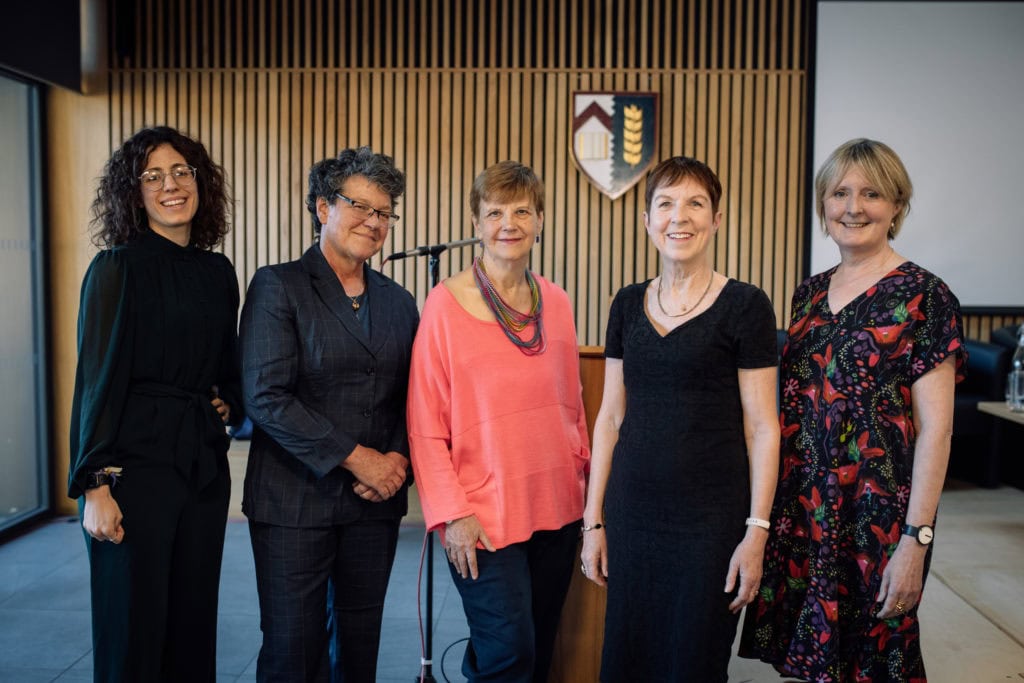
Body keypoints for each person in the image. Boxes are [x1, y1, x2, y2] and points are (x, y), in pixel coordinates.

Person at [739, 138, 966, 681]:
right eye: (840, 193)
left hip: (879, 520)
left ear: (896, 205)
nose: (853, 207)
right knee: (812, 659)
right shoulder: (808, 296)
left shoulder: (926, 296)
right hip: (804, 510)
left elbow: (937, 431)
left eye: (871, 194)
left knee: (875, 660)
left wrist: (917, 539)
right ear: (823, 205)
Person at [579, 156, 780, 681]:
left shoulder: (746, 305)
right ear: (647, 220)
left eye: (695, 203)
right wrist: (593, 521)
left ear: (716, 219)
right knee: (628, 659)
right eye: (665, 204)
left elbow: (762, 428)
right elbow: (610, 418)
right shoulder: (626, 304)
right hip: (633, 516)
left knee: (694, 661)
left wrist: (756, 533)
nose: (679, 217)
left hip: (710, 525)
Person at [69, 126, 241, 682]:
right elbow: (96, 380)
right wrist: (95, 485)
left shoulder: (218, 272)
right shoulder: (117, 267)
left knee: (192, 628)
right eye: (153, 176)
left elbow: (225, 366)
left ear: (200, 182)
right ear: (133, 193)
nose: (171, 185)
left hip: (202, 469)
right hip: (132, 469)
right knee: (133, 632)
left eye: (182, 172)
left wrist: (226, 402)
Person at [239, 146, 418, 682]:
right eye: (359, 206)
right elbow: (267, 396)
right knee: (294, 648)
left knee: (360, 648)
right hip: (294, 501)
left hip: (374, 505)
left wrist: (398, 460)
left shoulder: (398, 300)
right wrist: (361, 459)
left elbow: (416, 396)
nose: (374, 221)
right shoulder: (279, 285)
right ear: (322, 208)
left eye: (384, 212)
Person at [407, 161, 590, 682]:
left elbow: (570, 404)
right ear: (476, 223)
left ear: (539, 221)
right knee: (510, 654)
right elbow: (424, 424)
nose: (508, 223)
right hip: (482, 516)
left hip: (556, 507)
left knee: (533, 647)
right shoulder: (443, 306)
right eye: (494, 212)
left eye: (521, 211)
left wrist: (584, 483)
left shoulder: (555, 301)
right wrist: (451, 513)